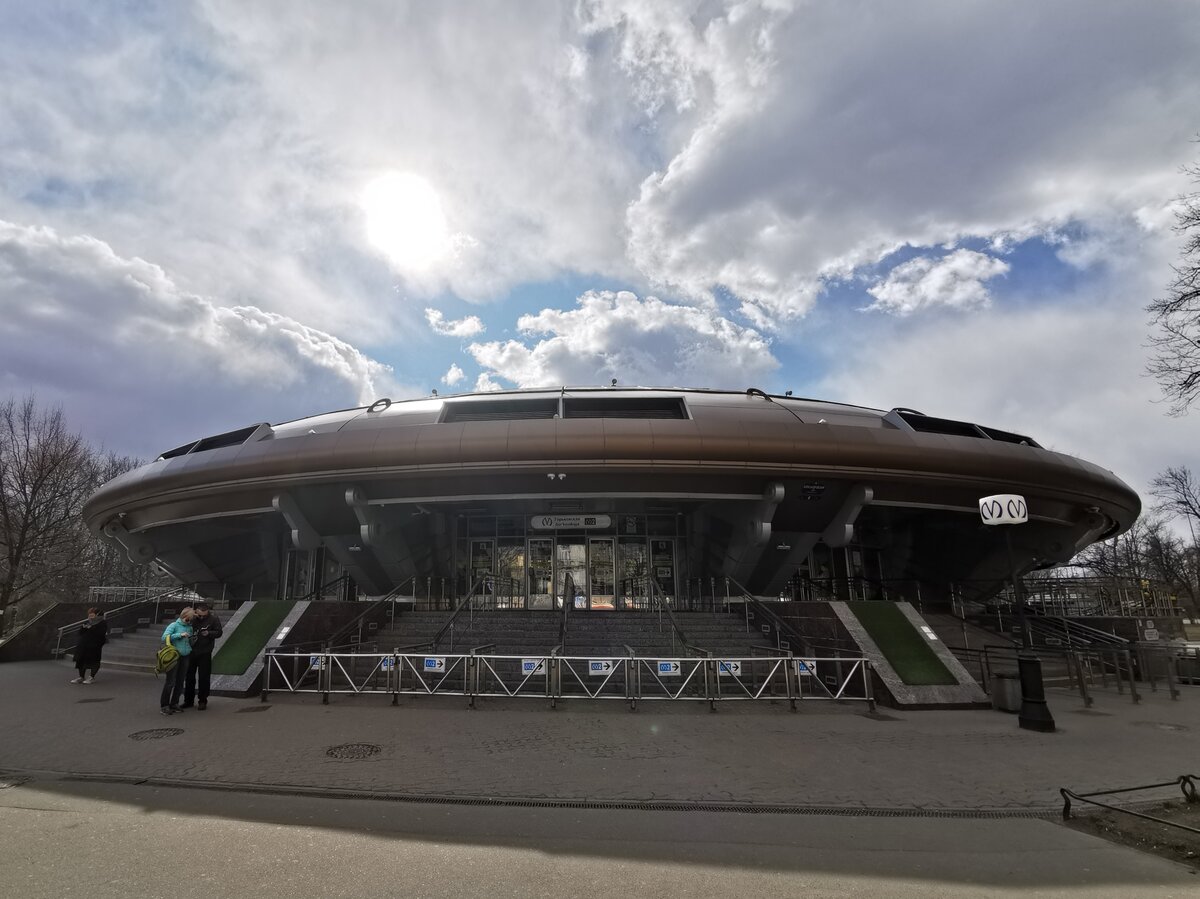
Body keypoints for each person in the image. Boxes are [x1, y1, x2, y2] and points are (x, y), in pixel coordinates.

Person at [181, 601, 222, 710]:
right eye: (199, 615)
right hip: (191, 651)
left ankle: (202, 700)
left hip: (205, 651)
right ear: (196, 612)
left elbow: (219, 632)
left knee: (204, 677)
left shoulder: (213, 619)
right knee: (189, 677)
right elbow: (182, 625)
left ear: (207, 612)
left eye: (204, 616)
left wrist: (209, 633)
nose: (201, 617)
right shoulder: (193, 618)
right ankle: (188, 700)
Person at [159, 608, 194, 715]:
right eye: (188, 618)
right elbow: (164, 637)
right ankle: (164, 705)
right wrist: (179, 635)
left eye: (190, 619)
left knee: (180, 681)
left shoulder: (190, 628)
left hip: (185, 655)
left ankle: (174, 703)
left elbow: (190, 641)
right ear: (183, 616)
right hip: (174, 656)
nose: (189, 621)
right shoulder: (174, 625)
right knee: (170, 682)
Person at [70, 608, 108, 684]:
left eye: (92, 614)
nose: (90, 616)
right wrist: (83, 628)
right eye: (89, 614)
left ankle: (91, 677)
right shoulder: (88, 622)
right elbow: (80, 633)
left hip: (95, 645)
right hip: (83, 644)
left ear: (98, 614)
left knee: (94, 661)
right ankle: (81, 677)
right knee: (81, 660)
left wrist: (91, 628)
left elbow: (101, 633)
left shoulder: (102, 623)